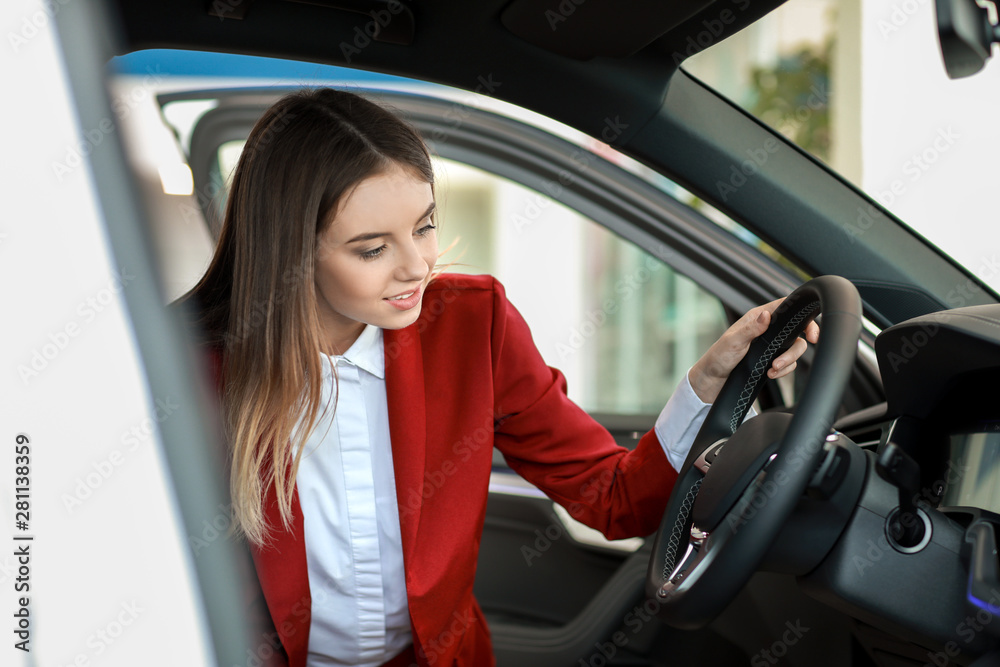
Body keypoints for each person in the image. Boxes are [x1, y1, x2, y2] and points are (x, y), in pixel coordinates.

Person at [183, 88, 818, 667]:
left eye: (425, 226)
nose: (417, 266)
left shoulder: (471, 326)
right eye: (372, 249)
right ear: (290, 251)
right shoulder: (187, 368)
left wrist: (707, 382)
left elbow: (614, 497)